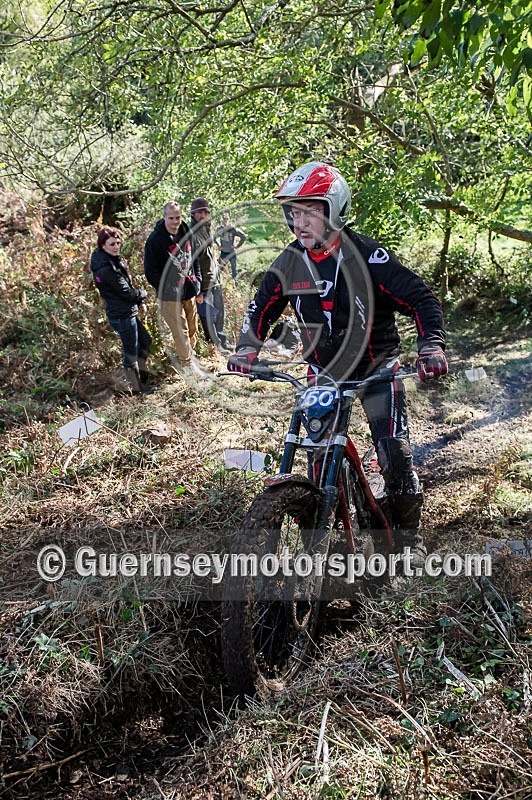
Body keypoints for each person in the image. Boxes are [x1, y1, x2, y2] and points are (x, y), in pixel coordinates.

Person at [228, 161, 448, 563]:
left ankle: (406, 545)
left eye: (310, 211)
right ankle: (323, 530)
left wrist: (431, 345)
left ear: (334, 210)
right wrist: (247, 349)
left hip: (377, 371)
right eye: (293, 212)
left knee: (393, 455)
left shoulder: (367, 255)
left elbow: (421, 298)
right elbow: (261, 306)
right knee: (317, 459)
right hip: (322, 374)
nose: (299, 221)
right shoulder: (289, 262)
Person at [91, 227, 154, 394]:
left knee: (145, 342)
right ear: (102, 245)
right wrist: (143, 294)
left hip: (127, 311)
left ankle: (143, 379)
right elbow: (126, 292)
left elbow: (127, 287)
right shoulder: (106, 269)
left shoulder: (112, 261)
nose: (116, 246)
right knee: (130, 354)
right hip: (122, 316)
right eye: (112, 244)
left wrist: (139, 300)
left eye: (118, 243)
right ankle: (137, 388)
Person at [144, 201, 202, 374]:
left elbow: (195, 258)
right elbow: (150, 271)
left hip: (189, 289)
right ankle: (186, 364)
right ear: (164, 217)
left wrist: (197, 280)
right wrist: (167, 287)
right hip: (169, 295)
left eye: (178, 217)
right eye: (171, 218)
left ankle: (189, 356)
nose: (175, 221)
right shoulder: (155, 240)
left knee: (193, 328)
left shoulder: (187, 232)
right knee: (180, 329)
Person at [189, 198, 230, 354]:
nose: (203, 215)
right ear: (193, 214)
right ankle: (215, 347)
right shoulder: (191, 234)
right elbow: (191, 264)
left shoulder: (206, 229)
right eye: (200, 212)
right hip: (204, 284)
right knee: (208, 317)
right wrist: (197, 289)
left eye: (206, 212)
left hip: (215, 280)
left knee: (220, 314)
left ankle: (222, 343)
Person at [213, 211, 247, 280]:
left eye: (226, 220)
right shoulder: (219, 229)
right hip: (223, 252)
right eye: (223, 220)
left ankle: (235, 283)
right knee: (220, 268)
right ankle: (221, 283)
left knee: (234, 270)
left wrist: (237, 246)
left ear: (229, 220)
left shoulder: (233, 229)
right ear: (221, 221)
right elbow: (214, 237)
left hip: (231, 252)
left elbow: (243, 236)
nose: (225, 222)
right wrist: (218, 245)